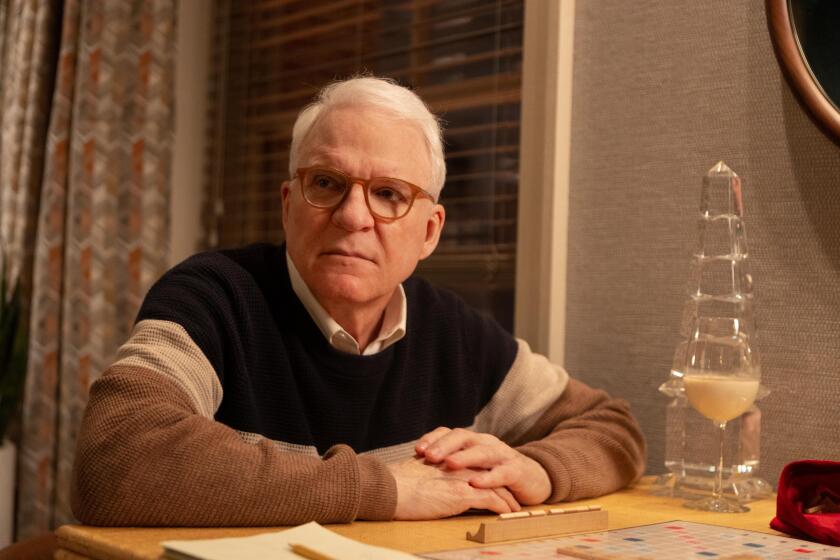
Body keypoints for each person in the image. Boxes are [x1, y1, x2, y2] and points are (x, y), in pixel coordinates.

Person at [71, 77, 646, 526]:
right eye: (326, 183)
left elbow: (612, 427)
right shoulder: (213, 298)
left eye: (390, 194)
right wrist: (389, 488)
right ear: (288, 204)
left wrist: (537, 471)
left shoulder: (456, 334)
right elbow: (116, 457)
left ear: (429, 231)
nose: (352, 216)